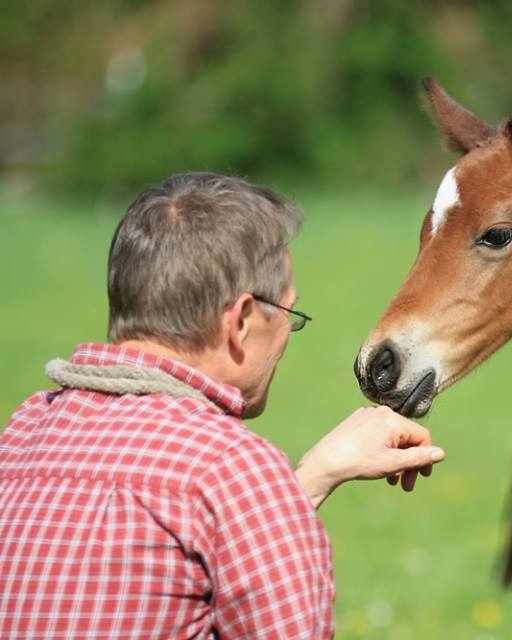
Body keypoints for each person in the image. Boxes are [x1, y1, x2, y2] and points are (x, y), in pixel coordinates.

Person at [0, 172, 444, 639]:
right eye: (289, 314)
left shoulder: (23, 434)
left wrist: (309, 478)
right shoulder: (232, 470)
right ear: (241, 321)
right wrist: (268, 491)